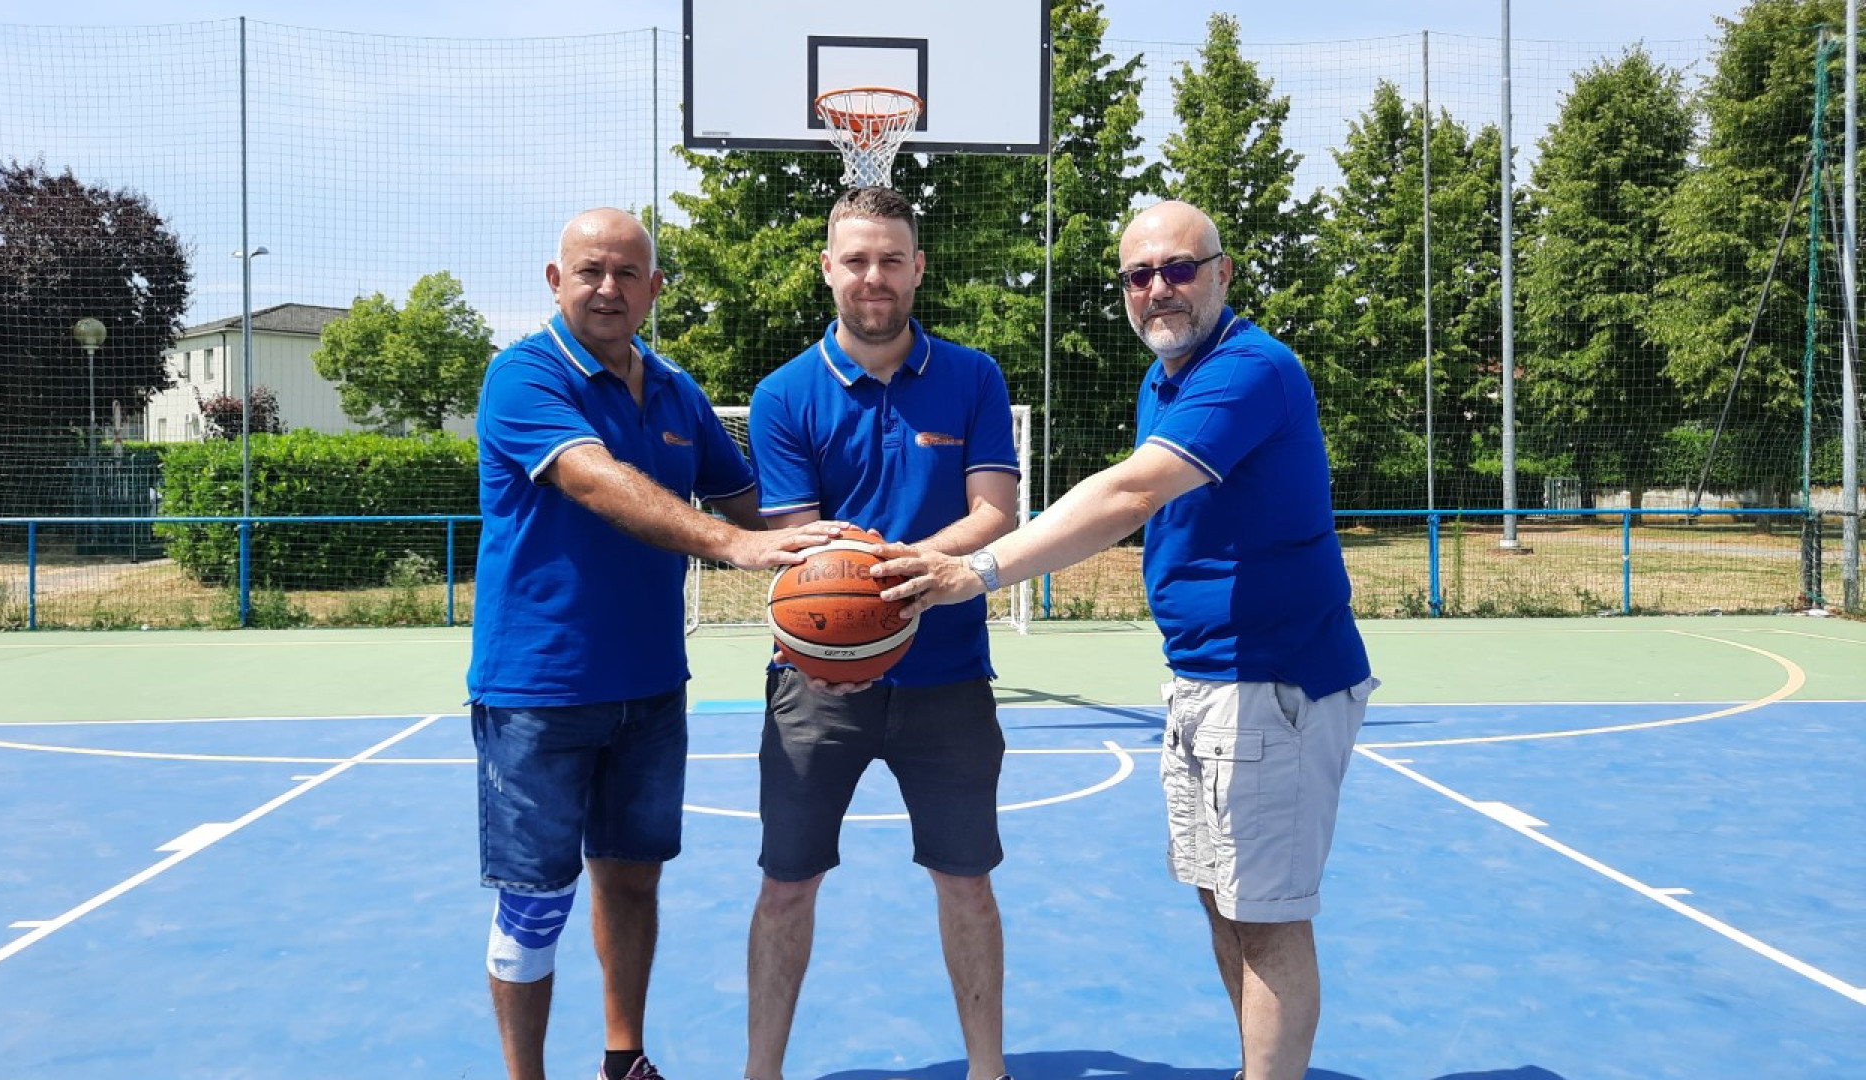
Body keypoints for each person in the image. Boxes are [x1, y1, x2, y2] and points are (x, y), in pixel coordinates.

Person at [874, 199, 1376, 1080]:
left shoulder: (1250, 369)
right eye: (1139, 277)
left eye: (1179, 269)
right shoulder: (1168, 376)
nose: (1158, 290)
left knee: (1266, 918)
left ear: (1223, 272)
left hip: (1273, 679)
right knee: (1226, 903)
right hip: (1206, 678)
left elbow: (1129, 495)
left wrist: (977, 571)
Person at [467, 208, 841, 1080]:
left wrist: (859, 547)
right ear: (554, 282)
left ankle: (622, 1058)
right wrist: (729, 545)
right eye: (590, 271)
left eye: (628, 273)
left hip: (649, 688)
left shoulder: (675, 392)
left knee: (633, 880)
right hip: (538, 690)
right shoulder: (522, 378)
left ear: (655, 289)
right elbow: (596, 480)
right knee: (535, 904)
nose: (608, 287)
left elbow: (758, 506)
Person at [741, 186, 1022, 1080]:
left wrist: (903, 577)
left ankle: (988, 1071)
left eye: (891, 259)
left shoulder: (973, 376)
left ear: (918, 268)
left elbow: (994, 513)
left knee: (966, 881)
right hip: (817, 680)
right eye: (856, 259)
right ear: (827, 269)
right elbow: (802, 545)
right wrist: (864, 600)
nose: (874, 277)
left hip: (948, 677)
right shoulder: (785, 394)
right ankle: (762, 1073)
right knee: (786, 885)